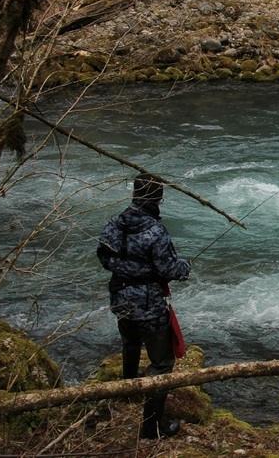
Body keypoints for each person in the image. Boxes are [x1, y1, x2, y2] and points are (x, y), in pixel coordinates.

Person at [96, 173, 192, 439]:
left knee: (130, 341)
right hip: (148, 302)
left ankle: (127, 391)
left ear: (135, 194)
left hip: (120, 295)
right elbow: (169, 268)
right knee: (161, 363)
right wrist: (186, 267)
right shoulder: (155, 230)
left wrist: (127, 269)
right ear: (158, 198)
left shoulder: (115, 222)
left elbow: (104, 256)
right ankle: (151, 427)